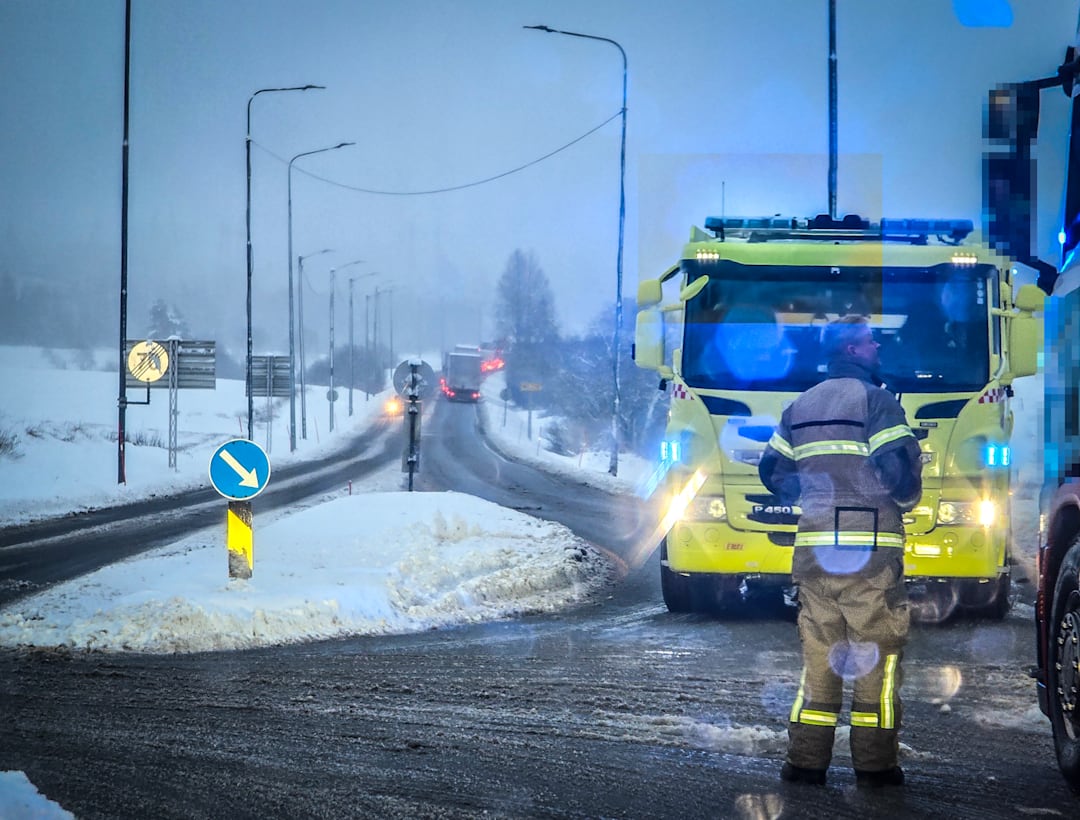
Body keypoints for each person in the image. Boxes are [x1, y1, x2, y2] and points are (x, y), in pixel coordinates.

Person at [758, 315, 923, 788]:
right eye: (871, 342)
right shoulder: (877, 401)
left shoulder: (800, 405)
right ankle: (875, 767)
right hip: (868, 554)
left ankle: (805, 763)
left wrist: (817, 495)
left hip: (813, 553)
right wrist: (895, 495)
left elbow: (772, 472)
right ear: (852, 350)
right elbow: (899, 475)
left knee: (820, 657)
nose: (877, 348)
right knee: (876, 657)